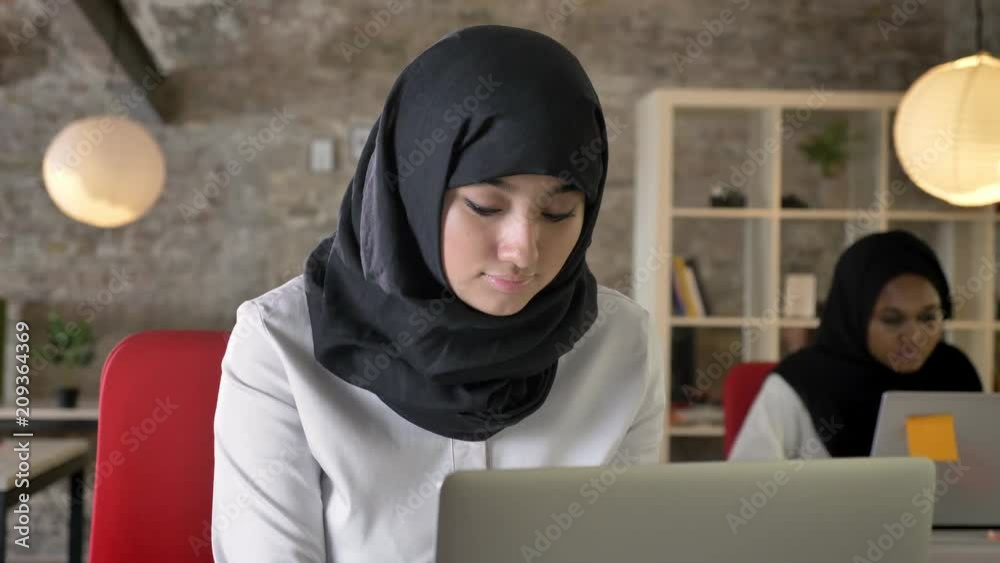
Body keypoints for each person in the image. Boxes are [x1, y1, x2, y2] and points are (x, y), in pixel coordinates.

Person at [210, 25, 666, 562]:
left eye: (559, 212)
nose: (524, 249)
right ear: (411, 190)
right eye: (486, 206)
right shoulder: (279, 346)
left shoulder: (621, 345)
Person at [728, 230, 983, 461]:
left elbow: (980, 474)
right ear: (853, 318)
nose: (915, 336)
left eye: (928, 318)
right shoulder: (800, 384)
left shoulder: (953, 372)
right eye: (892, 320)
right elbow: (744, 489)